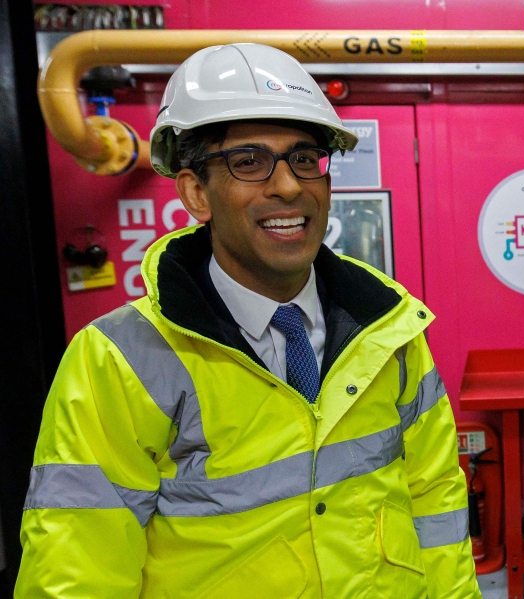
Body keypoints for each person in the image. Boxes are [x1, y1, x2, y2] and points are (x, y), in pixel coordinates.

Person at [16, 43, 481, 599]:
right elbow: (76, 570)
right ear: (196, 193)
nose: (289, 186)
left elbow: (434, 499)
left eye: (304, 158)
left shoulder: (390, 331)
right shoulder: (119, 360)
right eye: (249, 161)